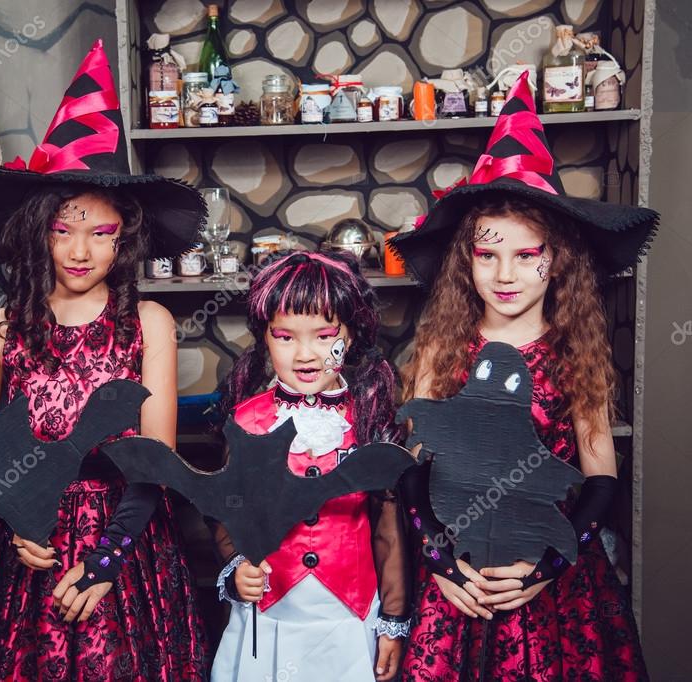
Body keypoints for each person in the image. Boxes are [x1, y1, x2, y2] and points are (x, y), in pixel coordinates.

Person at [0, 40, 208, 680]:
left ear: (126, 237)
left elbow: (158, 461)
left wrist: (105, 563)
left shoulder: (150, 325)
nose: (81, 250)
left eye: (101, 232)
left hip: (126, 544)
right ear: (37, 229)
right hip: (25, 546)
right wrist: (17, 520)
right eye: (64, 229)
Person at [391, 71, 655, 680]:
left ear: (555, 260)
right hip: (462, 578)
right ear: (467, 261)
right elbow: (410, 473)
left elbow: (601, 484)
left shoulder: (577, 351)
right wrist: (441, 563)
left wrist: (546, 568)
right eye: (487, 254)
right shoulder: (444, 345)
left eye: (526, 254)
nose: (505, 273)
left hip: (552, 585)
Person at [211, 250, 410, 681]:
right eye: (285, 337)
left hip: (349, 615)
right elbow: (227, 511)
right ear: (264, 336)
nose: (306, 355)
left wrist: (392, 620)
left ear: (351, 335)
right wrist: (236, 568)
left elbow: (388, 528)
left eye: (323, 337)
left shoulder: (370, 418)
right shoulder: (247, 420)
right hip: (270, 614)